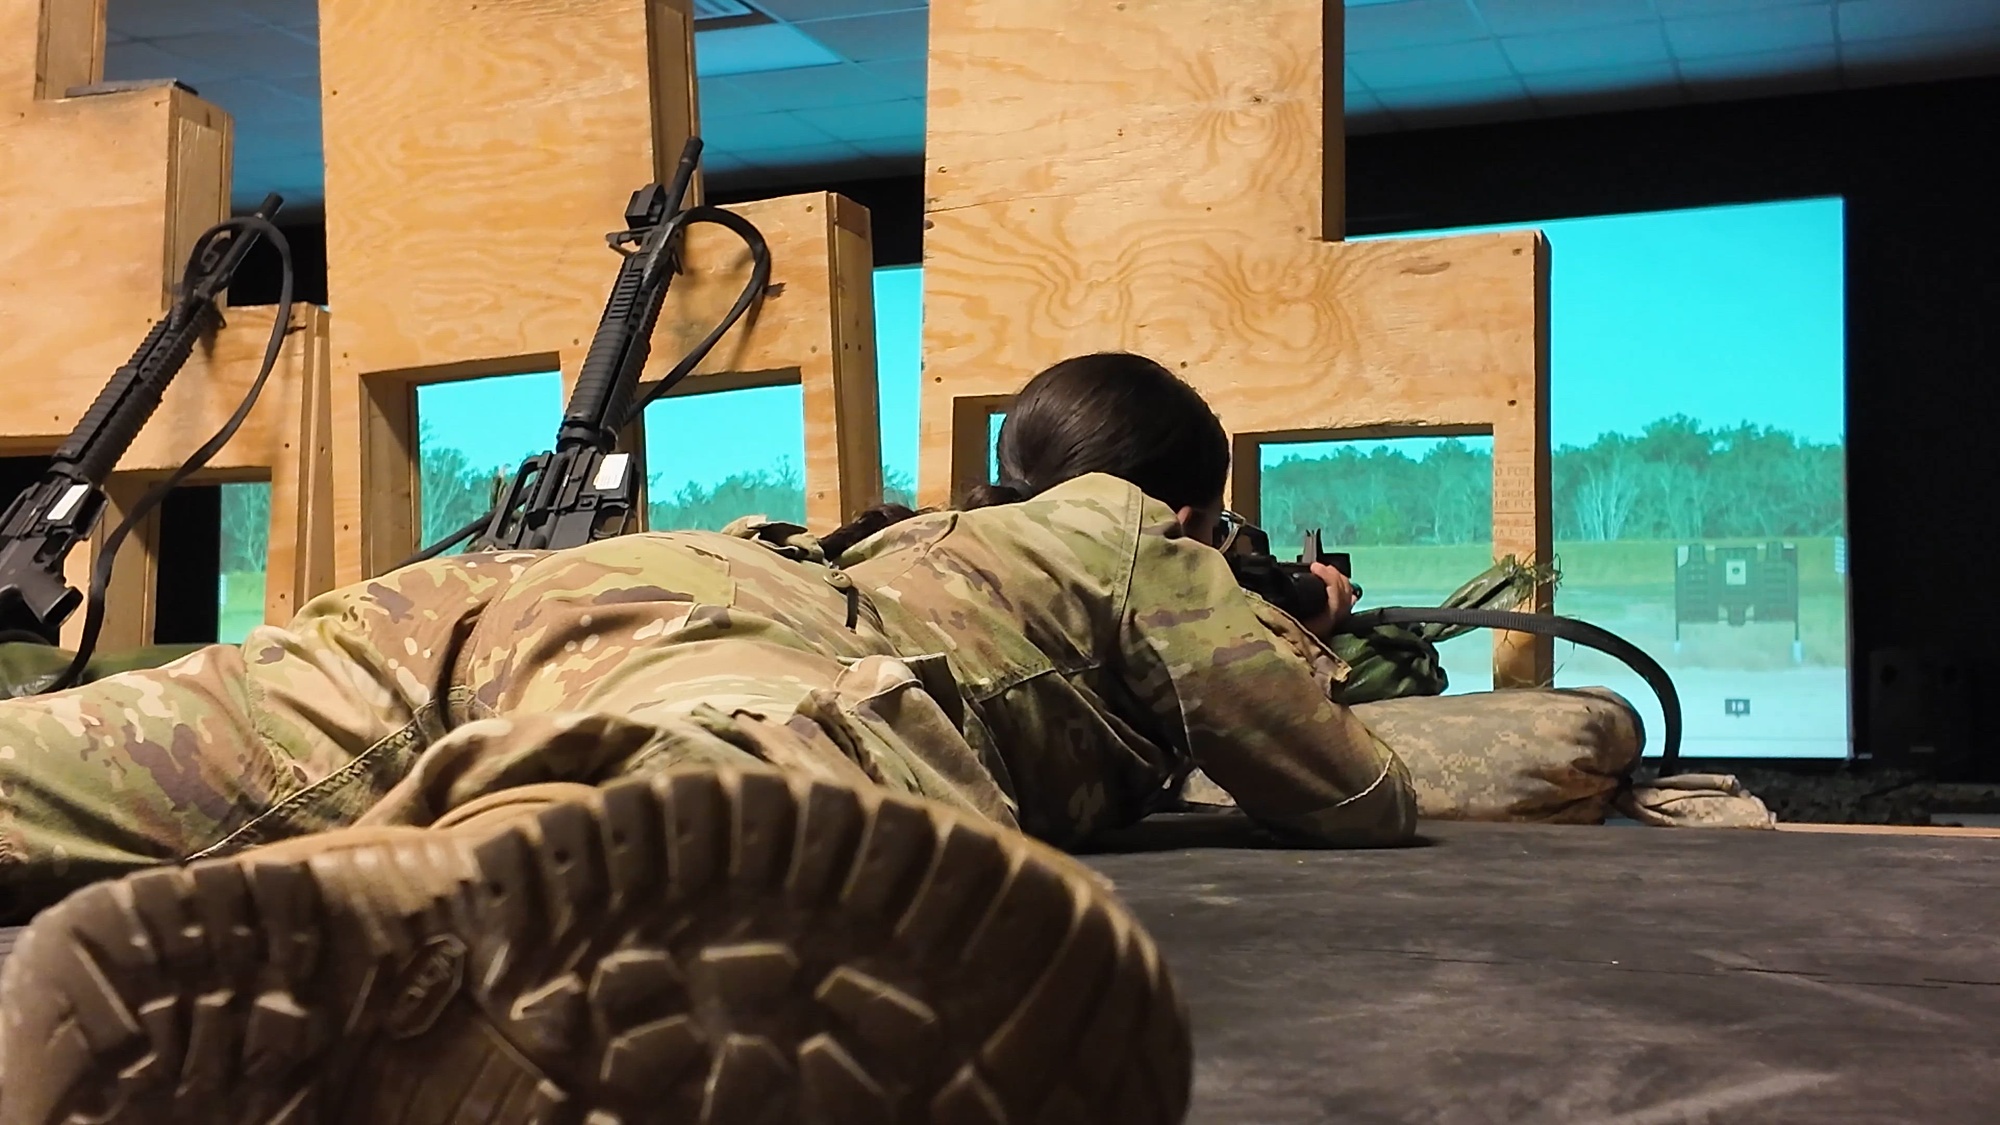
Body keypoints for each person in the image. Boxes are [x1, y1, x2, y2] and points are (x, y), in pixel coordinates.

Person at [0, 352, 1406, 1125]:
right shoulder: (1129, 525)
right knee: (740, 801)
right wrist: (1305, 624)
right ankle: (429, 936)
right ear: (1184, 497)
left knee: (104, 756)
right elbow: (1343, 787)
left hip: (499, 599)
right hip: (704, 637)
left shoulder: (917, 524)